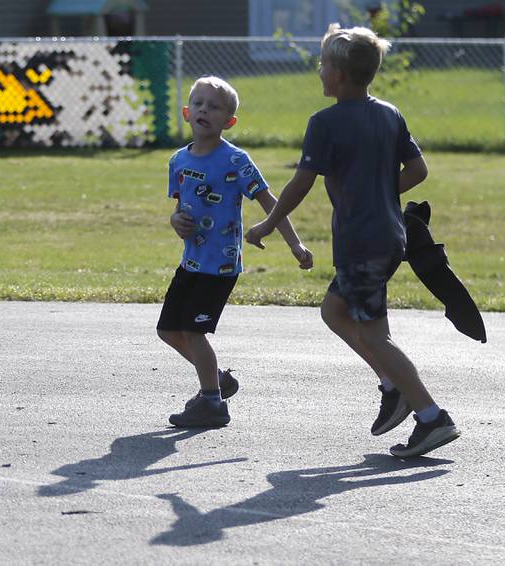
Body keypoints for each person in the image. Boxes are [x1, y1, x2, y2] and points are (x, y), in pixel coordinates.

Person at [244, 24, 460, 458]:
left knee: (375, 334)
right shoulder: (390, 114)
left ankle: (431, 416)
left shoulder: (324, 123)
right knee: (334, 311)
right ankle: (391, 387)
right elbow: (418, 172)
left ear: (339, 75)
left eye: (323, 64)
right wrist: (380, 192)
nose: (319, 71)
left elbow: (300, 184)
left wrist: (269, 224)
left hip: (362, 241)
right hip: (388, 233)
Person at [158, 76, 313, 428]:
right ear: (186, 113)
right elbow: (180, 208)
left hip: (220, 265)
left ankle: (212, 402)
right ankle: (217, 379)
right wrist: (174, 221)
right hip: (191, 262)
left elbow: (269, 202)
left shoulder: (235, 160)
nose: (204, 110)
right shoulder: (178, 161)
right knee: (168, 330)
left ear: (228, 121)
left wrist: (294, 243)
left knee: (194, 331)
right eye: (198, 104)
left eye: (214, 107)